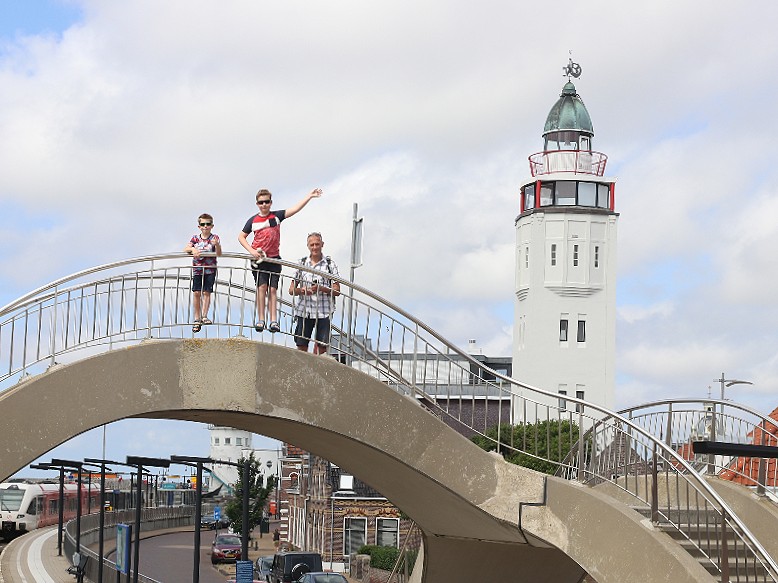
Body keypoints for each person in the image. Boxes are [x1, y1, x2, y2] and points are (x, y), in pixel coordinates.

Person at [238, 187, 323, 333]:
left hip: (274, 259)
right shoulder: (253, 220)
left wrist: (309, 196)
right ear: (257, 204)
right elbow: (241, 237)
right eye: (261, 202)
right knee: (261, 288)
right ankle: (261, 319)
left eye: (267, 202)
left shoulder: (276, 216)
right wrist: (251, 251)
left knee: (272, 290)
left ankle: (273, 320)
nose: (264, 205)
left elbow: (294, 209)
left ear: (271, 203)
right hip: (259, 259)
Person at [289, 232, 340, 355]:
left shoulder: (330, 264)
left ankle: (319, 370)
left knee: (322, 346)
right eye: (312, 245)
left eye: (317, 244)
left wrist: (322, 288)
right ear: (308, 246)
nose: (315, 247)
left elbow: (337, 290)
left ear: (322, 244)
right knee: (301, 344)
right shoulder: (301, 263)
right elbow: (291, 290)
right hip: (304, 310)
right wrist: (302, 290)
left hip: (324, 311)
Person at [184, 213, 222, 333]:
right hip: (198, 269)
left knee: (206, 292)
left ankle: (204, 316)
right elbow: (186, 249)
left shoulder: (214, 238)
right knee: (196, 293)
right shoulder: (195, 238)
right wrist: (193, 249)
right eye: (203, 224)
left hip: (210, 269)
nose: (205, 226)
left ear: (212, 225)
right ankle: (197, 318)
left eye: (208, 224)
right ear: (199, 226)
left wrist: (217, 246)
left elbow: (219, 253)